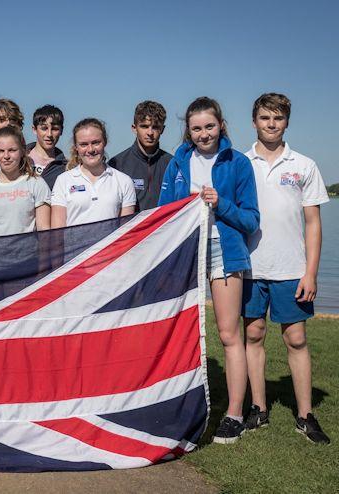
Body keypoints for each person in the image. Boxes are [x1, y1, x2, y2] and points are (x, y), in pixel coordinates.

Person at [158, 96, 259, 444]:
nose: (204, 134)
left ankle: (233, 414)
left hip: (224, 252)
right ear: (188, 130)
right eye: (197, 128)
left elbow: (251, 219)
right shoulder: (178, 163)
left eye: (210, 126)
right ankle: (175, 403)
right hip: (186, 251)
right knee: (176, 328)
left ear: (221, 125)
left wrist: (221, 203)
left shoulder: (239, 163)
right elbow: (164, 211)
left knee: (230, 334)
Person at [242, 93, 331, 444]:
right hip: (249, 267)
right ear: (254, 121)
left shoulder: (305, 165)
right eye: (265, 117)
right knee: (253, 335)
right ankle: (259, 409)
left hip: (292, 268)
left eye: (278, 118)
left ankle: (306, 415)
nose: (271, 124)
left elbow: (313, 224)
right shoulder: (240, 162)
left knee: (296, 338)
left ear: (287, 122)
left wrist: (311, 272)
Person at [0, 126, 50, 238]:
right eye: (1, 151)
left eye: (12, 150)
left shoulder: (37, 184)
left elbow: (44, 231)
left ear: (22, 151)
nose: (6, 156)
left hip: (26, 255)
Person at [50, 119, 136, 227]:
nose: (90, 149)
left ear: (105, 142)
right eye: (83, 144)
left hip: (110, 245)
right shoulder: (63, 180)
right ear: (76, 147)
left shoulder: (124, 181)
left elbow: (125, 233)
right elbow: (57, 232)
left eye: (96, 143)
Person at [108, 100, 173, 210]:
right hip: (131, 227)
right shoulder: (117, 164)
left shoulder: (172, 164)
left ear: (162, 129)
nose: (150, 133)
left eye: (155, 127)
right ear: (134, 128)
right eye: (144, 126)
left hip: (166, 227)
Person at [28, 105, 68, 190]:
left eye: (55, 129)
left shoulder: (66, 168)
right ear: (34, 129)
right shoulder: (18, 158)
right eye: (44, 128)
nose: (49, 134)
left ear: (61, 130)